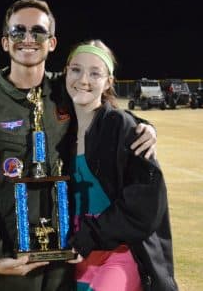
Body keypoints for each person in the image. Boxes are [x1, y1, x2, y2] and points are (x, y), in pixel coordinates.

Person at [0, 0, 157, 291]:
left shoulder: (68, 93)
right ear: (4, 41)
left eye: (38, 31)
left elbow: (105, 107)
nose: (28, 39)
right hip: (13, 266)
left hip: (66, 267)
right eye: (18, 31)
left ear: (51, 42)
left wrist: (143, 126)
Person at [65, 40, 179, 291]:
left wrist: (145, 127)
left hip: (119, 253)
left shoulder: (123, 128)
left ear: (108, 82)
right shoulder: (59, 129)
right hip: (73, 256)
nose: (83, 79)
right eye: (76, 69)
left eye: (95, 73)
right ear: (65, 72)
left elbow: (145, 206)